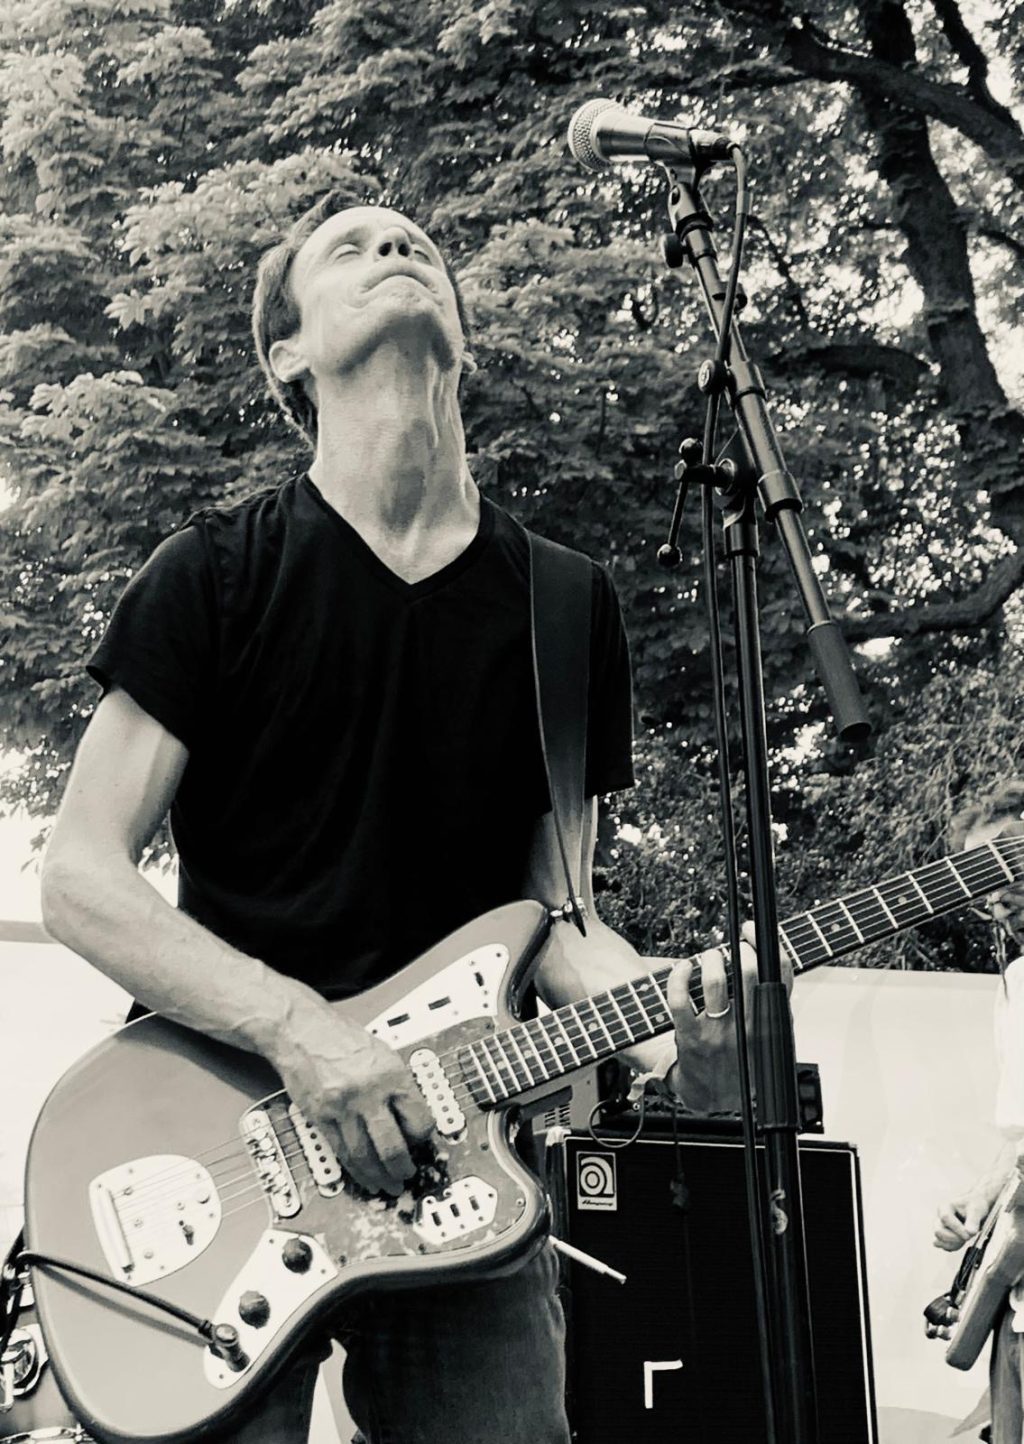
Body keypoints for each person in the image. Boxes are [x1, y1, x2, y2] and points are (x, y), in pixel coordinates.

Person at [39, 192, 758, 1444]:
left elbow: (559, 919)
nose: (395, 248)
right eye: (351, 247)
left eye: (417, 245)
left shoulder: (562, 605)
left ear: (459, 339)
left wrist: (681, 1026)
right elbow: (79, 879)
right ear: (288, 355)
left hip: (462, 1162)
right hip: (228, 1129)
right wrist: (304, 1032)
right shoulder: (212, 574)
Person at [933, 782, 1024, 1444]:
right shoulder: (1016, 983)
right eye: (976, 879)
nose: (991, 895)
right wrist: (977, 1201)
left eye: (1002, 866)